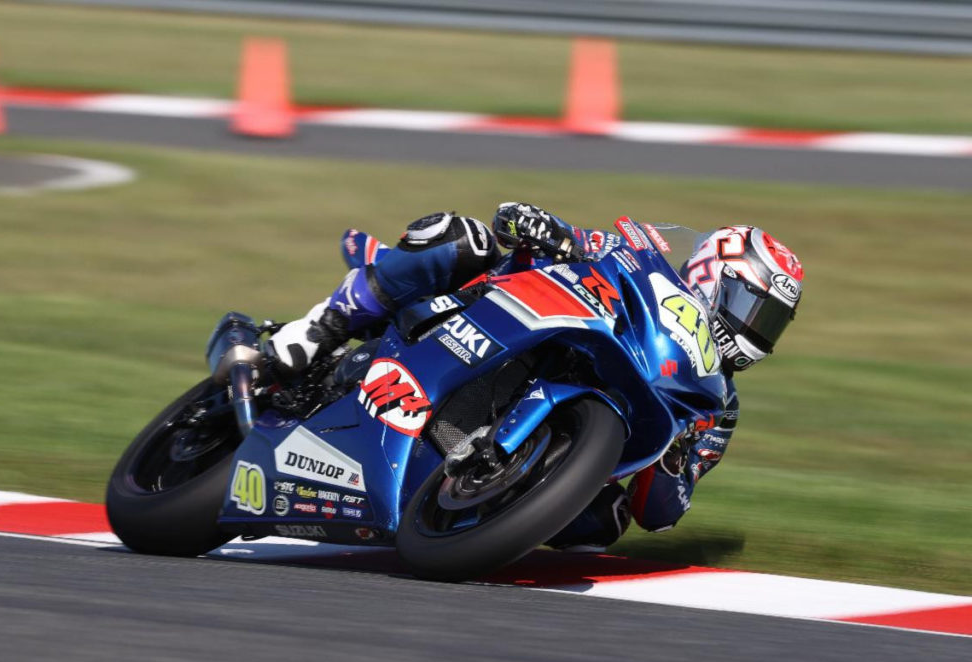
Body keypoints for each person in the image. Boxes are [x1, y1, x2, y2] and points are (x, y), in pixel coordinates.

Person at [267, 203, 804, 551]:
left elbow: (664, 513)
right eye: (755, 309)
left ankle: (478, 499)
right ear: (715, 276)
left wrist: (674, 456)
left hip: (549, 479)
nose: (759, 332)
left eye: (772, 323)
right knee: (464, 238)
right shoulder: (641, 260)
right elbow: (568, 237)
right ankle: (318, 330)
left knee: (601, 528)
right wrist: (543, 227)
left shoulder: (718, 408)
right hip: (494, 331)